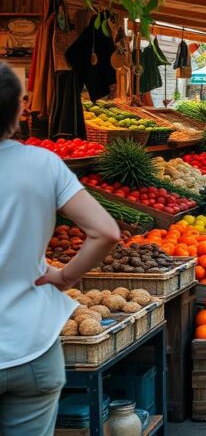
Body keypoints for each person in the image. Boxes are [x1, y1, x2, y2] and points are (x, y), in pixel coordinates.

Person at [0, 62, 121, 434]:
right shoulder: (42, 164)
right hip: (31, 349)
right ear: (20, 109)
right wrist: (65, 276)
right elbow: (105, 232)